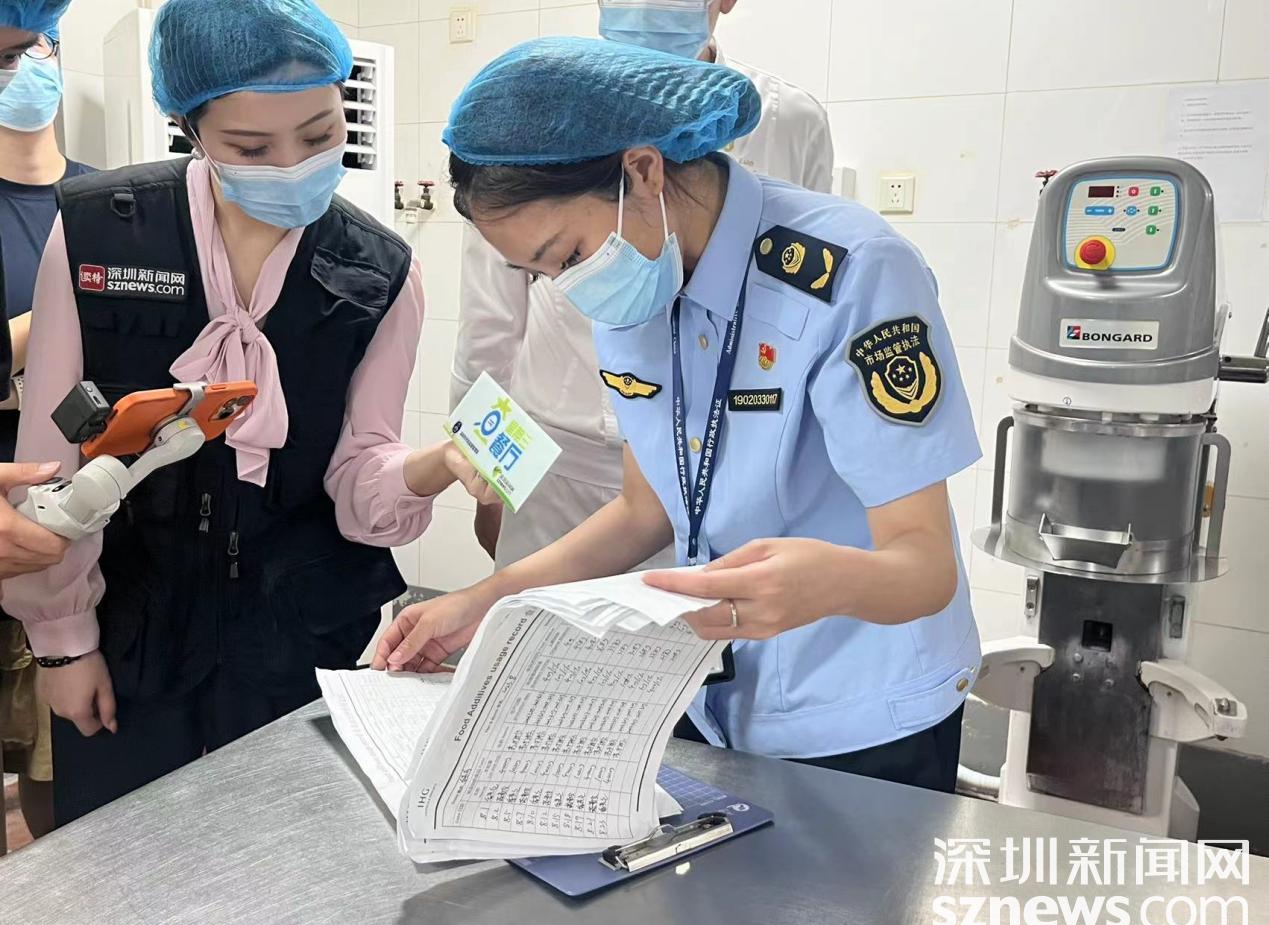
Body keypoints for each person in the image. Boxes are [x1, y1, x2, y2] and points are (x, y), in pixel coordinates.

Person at [377, 37, 982, 794]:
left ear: (642, 170)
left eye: (567, 256)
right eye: (539, 273)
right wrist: (484, 600)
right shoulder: (635, 281)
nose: (567, 287)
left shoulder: (853, 272)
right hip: (710, 698)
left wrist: (828, 582)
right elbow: (646, 508)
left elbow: (923, 569)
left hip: (863, 712)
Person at [2, 0, 497, 825]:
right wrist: (62, 641)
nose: (292, 164)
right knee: (124, 851)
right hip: (129, 625)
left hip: (297, 632)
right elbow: (51, 463)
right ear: (189, 128)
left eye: (320, 132)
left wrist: (432, 466)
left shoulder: (380, 270)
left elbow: (358, 476)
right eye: (251, 148)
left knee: (285, 854)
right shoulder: (97, 232)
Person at [451, 0, 834, 570]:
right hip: (558, 459)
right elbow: (489, 326)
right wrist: (487, 471)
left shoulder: (789, 120)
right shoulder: (534, 112)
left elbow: (802, 296)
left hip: (716, 455)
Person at [0, 0, 91, 839]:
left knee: (54, 764)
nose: (26, 68)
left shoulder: (111, 203)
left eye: (37, 47)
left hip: (68, 527)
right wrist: (51, 321)